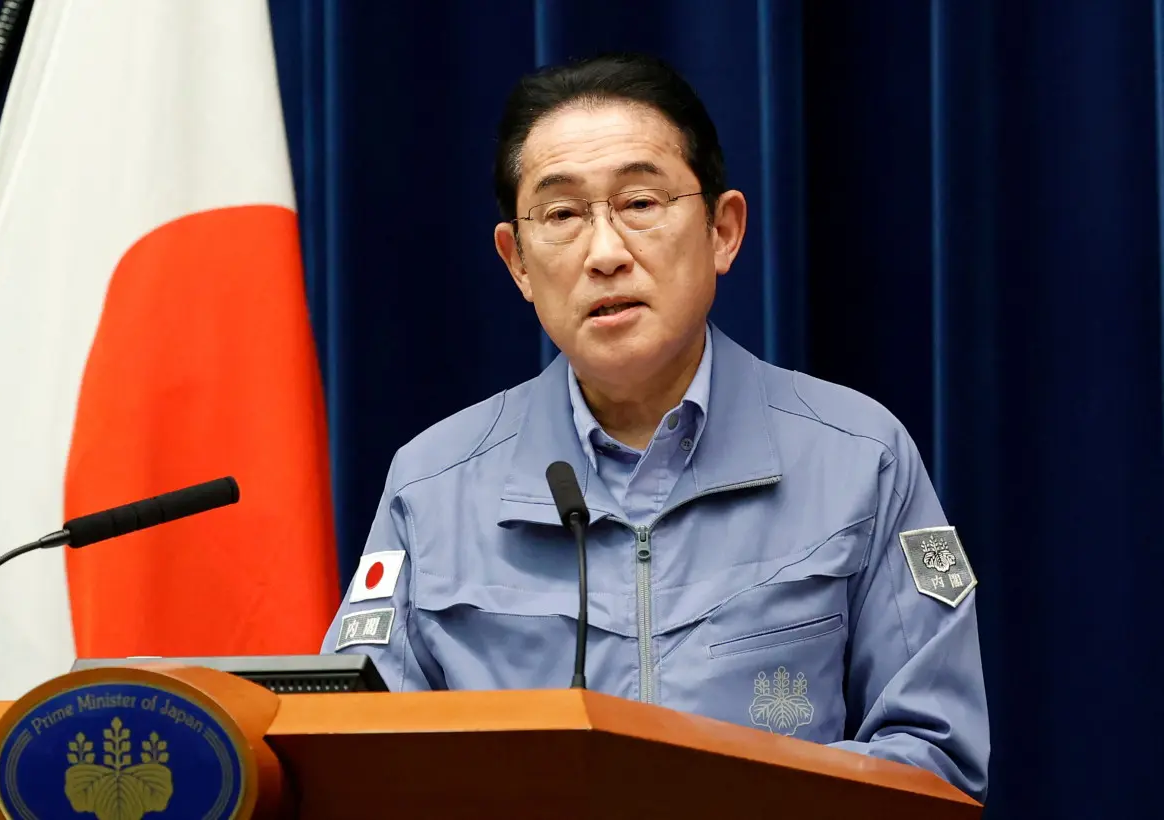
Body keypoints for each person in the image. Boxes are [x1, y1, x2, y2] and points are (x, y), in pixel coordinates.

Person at [321, 52, 989, 801]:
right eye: (563, 215)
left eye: (639, 203)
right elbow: (355, 757)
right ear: (517, 263)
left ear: (722, 231)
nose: (605, 254)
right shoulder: (434, 484)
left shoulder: (859, 457)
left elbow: (935, 759)